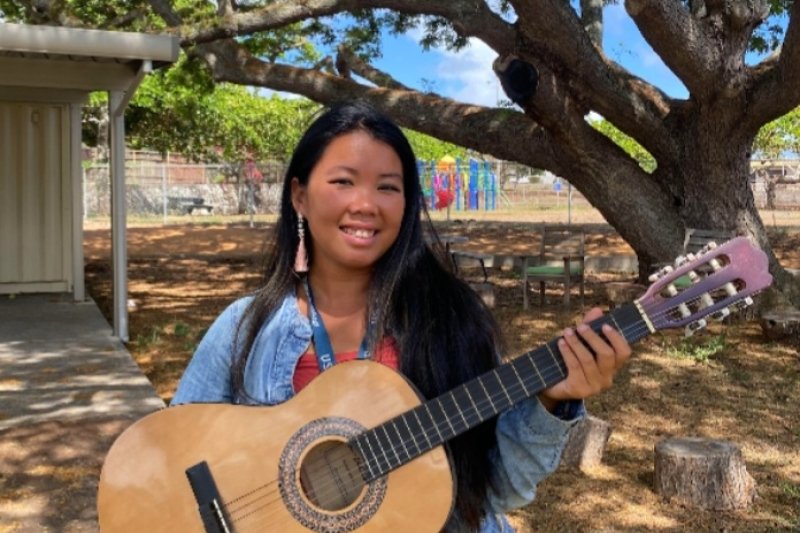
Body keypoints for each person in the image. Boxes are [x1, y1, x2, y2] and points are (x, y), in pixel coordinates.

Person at [171, 101, 632, 532]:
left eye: (388, 187)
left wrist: (552, 403)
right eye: (343, 181)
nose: (366, 204)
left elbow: (496, 489)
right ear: (299, 196)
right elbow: (167, 457)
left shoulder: (451, 321)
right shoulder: (243, 327)